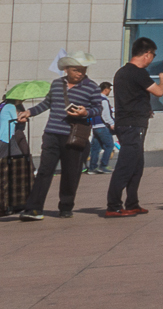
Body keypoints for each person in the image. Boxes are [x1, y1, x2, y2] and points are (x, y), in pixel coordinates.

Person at [17, 52, 103, 221]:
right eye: (76, 70)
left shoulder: (92, 87)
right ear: (66, 69)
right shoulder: (56, 84)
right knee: (44, 171)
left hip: (74, 136)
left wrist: (86, 112)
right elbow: (46, 103)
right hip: (51, 134)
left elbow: (98, 108)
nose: (80, 73)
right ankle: (34, 209)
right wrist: (29, 112)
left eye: (83, 70)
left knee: (71, 173)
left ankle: (65, 206)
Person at [106, 38, 163, 218]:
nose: (152, 59)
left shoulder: (121, 72)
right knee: (126, 165)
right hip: (133, 124)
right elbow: (158, 91)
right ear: (147, 54)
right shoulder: (138, 72)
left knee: (137, 164)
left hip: (126, 123)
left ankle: (132, 202)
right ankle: (114, 205)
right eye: (153, 55)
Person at [85, 81, 116, 173]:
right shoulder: (104, 100)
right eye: (110, 89)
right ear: (106, 90)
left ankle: (92, 167)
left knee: (95, 148)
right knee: (109, 145)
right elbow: (105, 115)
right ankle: (103, 166)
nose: (110, 91)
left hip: (95, 126)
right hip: (102, 126)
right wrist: (111, 123)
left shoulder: (94, 100)